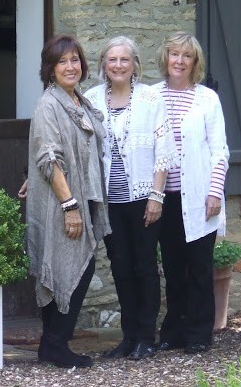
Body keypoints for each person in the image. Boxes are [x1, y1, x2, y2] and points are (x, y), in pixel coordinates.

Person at [85, 36, 178, 360]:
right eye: (112, 60)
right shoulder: (91, 100)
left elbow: (163, 151)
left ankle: (145, 338)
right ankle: (128, 337)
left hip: (143, 198)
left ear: (135, 64)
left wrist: (156, 196)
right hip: (109, 202)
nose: (118, 65)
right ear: (103, 64)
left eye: (124, 60)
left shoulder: (151, 98)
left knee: (145, 266)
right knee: (121, 267)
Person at [24, 34, 111, 369]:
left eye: (75, 60)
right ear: (50, 68)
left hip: (81, 196)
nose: (70, 66)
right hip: (63, 202)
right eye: (62, 61)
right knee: (66, 268)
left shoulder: (78, 102)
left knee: (79, 266)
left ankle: (53, 343)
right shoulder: (49, 105)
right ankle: (55, 344)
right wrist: (69, 205)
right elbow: (49, 158)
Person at [153, 32, 229, 354]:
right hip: (163, 198)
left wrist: (215, 193)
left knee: (199, 267)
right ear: (166, 57)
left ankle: (198, 333)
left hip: (198, 196)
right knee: (173, 268)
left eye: (187, 56)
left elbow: (219, 151)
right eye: (175, 54)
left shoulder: (207, 99)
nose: (180, 61)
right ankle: (173, 332)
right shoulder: (151, 96)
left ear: (195, 62)